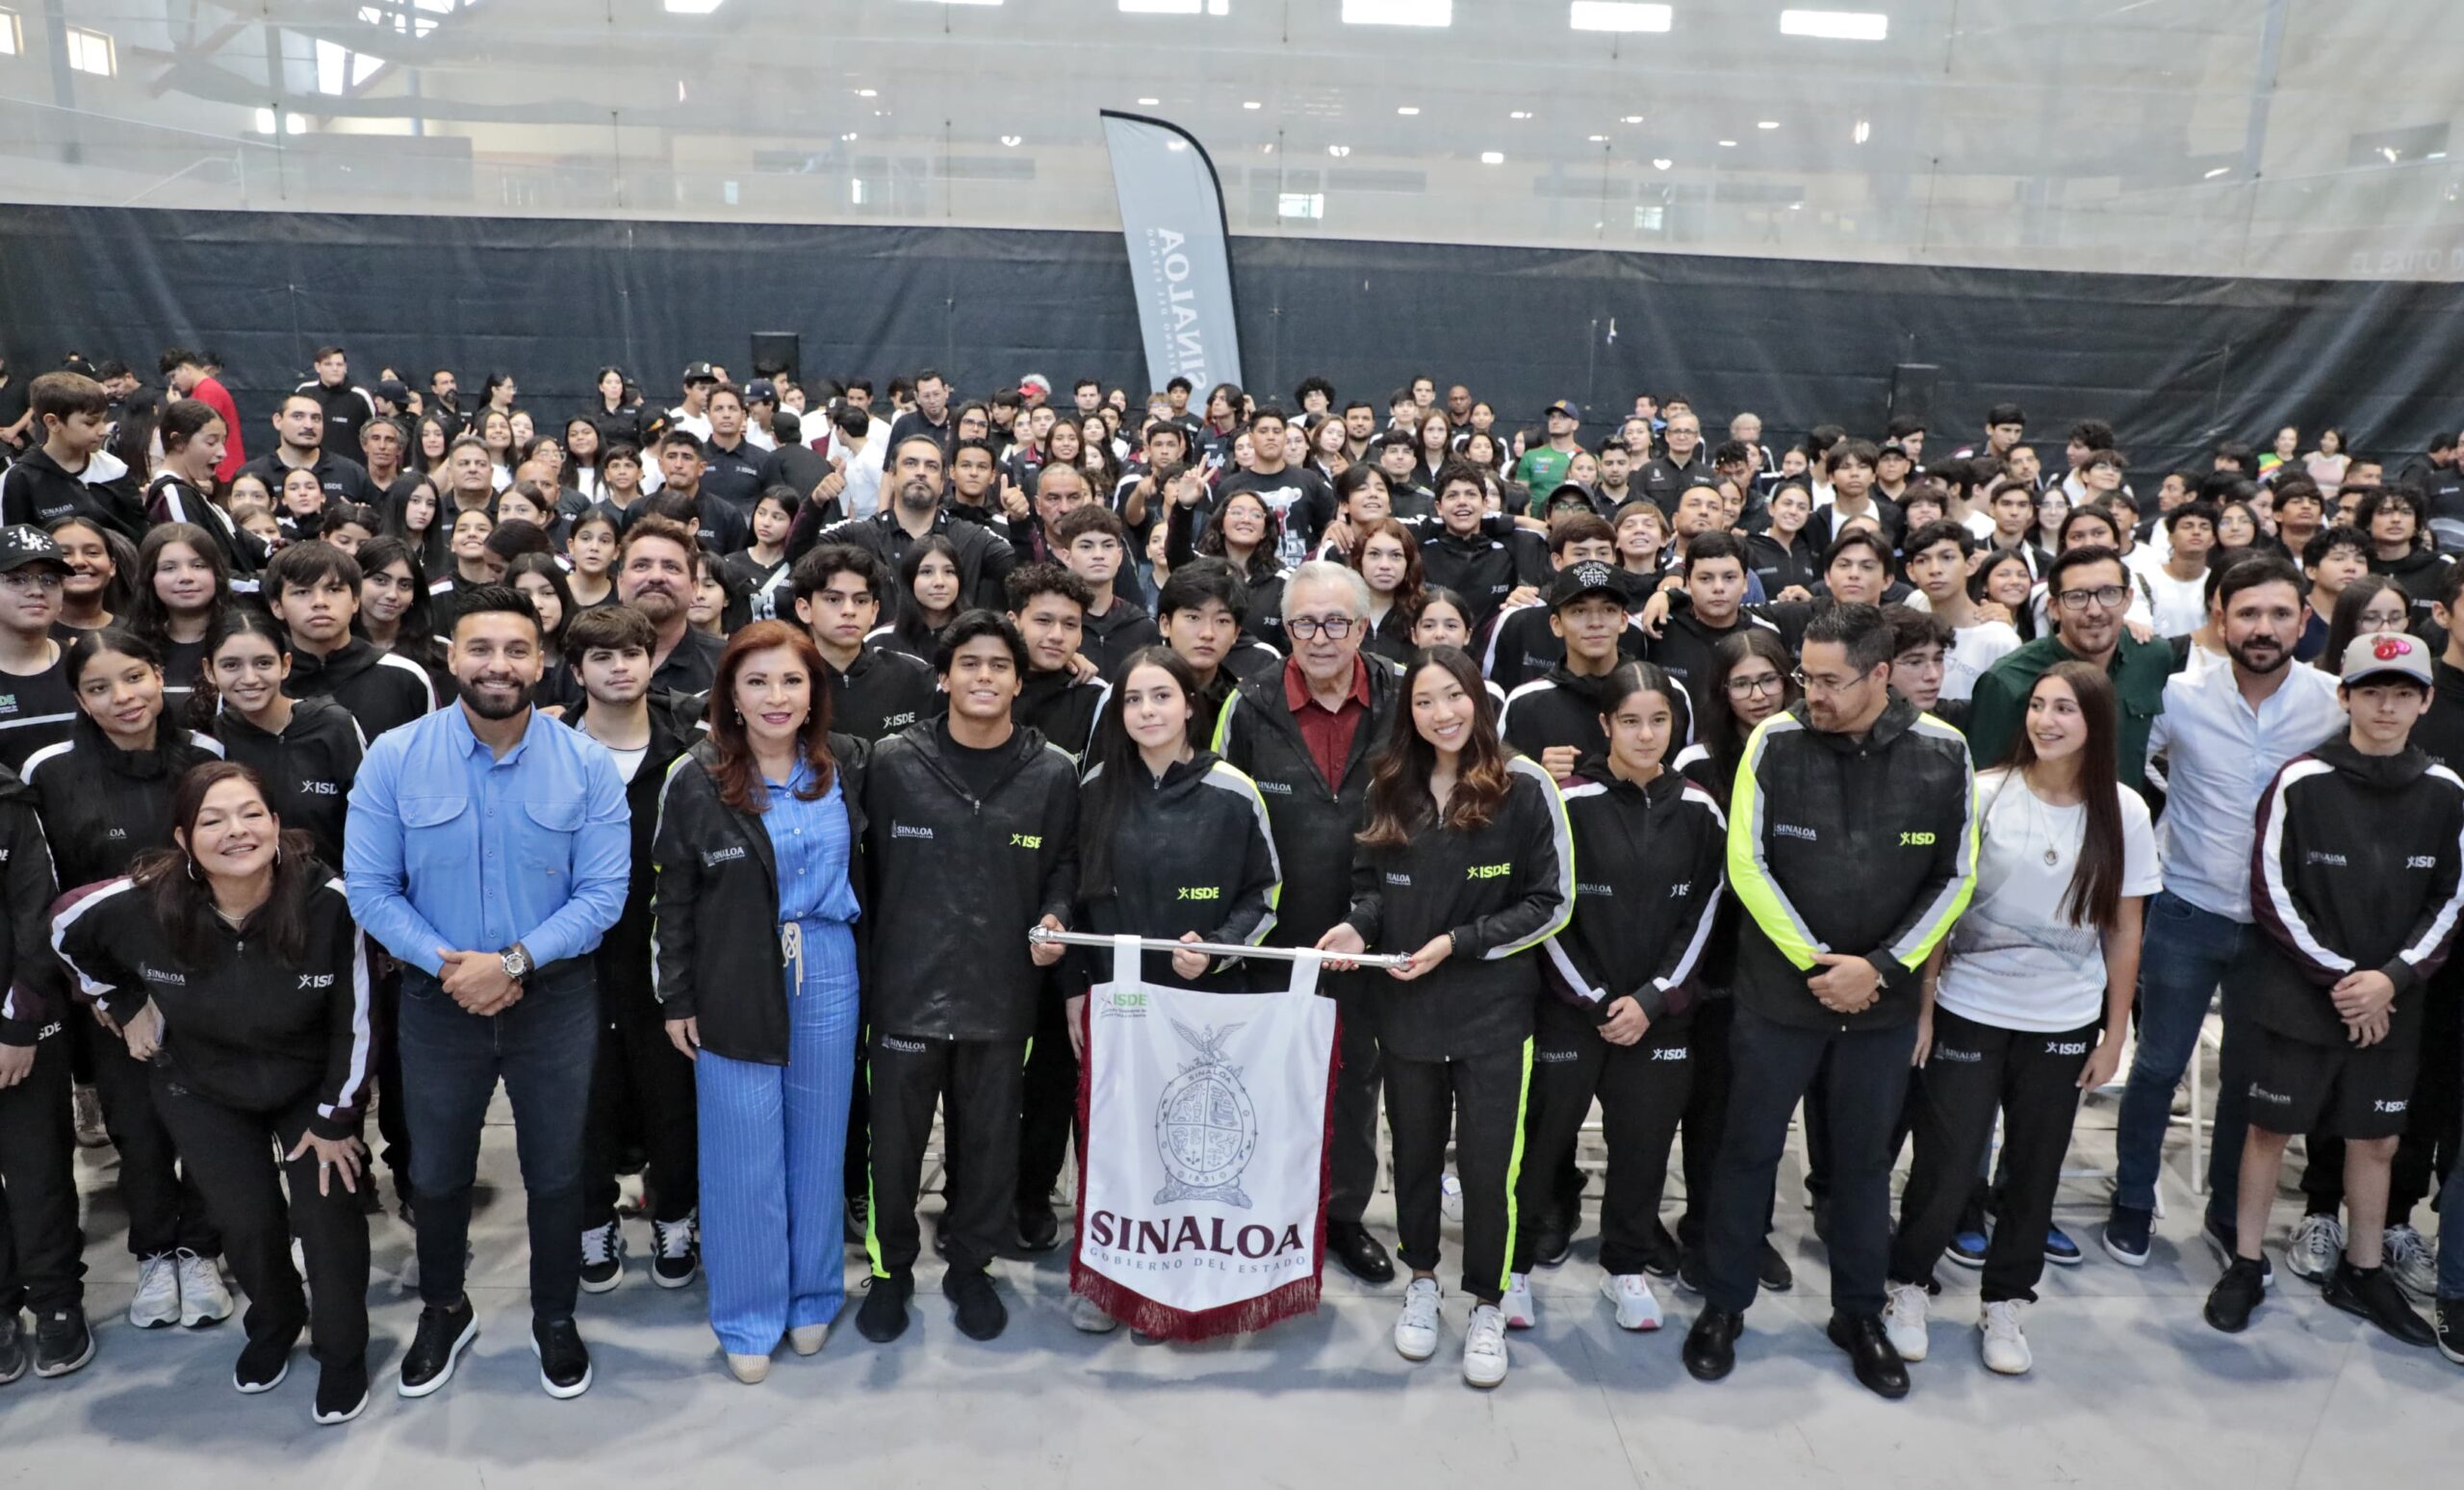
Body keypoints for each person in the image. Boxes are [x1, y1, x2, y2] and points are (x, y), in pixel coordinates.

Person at [1682, 604, 1977, 1400]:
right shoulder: (1774, 743)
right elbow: (1747, 865)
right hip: (1779, 996)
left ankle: (1859, 1313)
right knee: (1747, 1152)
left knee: (1862, 1166)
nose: (1809, 693)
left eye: (1829, 681)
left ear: (1881, 675)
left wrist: (1879, 968)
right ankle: (1724, 1304)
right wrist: (1819, 963)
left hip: (1879, 1004)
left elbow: (1956, 876)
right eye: (1803, 676)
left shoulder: (1943, 751)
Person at [344, 584, 629, 1400]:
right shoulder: (395, 756)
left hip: (555, 999)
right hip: (439, 1001)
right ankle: (445, 1306)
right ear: (451, 657)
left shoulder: (586, 764)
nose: (497, 665)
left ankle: (554, 1316)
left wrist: (510, 964)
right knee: (436, 1173)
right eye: (480, 648)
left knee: (557, 1172)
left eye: (515, 650)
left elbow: (602, 896)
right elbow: (370, 889)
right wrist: (454, 968)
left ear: (542, 662)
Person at [51, 762, 375, 1424]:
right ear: (184, 839)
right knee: (245, 1222)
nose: (236, 831)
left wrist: (337, 1117)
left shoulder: (334, 903)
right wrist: (121, 1001)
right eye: (213, 820)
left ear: (276, 825)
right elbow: (61, 927)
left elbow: (359, 1018)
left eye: (252, 814)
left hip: (309, 1086)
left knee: (327, 1216)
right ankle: (276, 1320)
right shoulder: (143, 904)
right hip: (201, 1085)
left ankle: (342, 1352)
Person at [1884, 663, 2157, 1375]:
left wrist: (2115, 1033)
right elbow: (1942, 907)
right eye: (2038, 706)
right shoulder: (1983, 793)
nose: (2046, 721)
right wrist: (1924, 1008)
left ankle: (2006, 1302)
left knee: (2034, 1170)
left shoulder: (2124, 811)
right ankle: (1907, 1287)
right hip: (1970, 1007)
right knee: (1946, 1164)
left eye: (2065, 709)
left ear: (2096, 723)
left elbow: (2124, 929)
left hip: (2063, 1020)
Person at [1315, 645, 1571, 1389]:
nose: (1442, 713)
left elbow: (1551, 902)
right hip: (1406, 1012)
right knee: (1417, 1156)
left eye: (1454, 697)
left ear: (1479, 701)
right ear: (1409, 713)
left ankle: (1488, 1300)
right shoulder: (1389, 785)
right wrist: (1358, 927)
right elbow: (1371, 888)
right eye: (1424, 701)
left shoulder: (1525, 786)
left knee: (1491, 1169)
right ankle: (1421, 1280)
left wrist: (1457, 943)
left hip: (1495, 1014)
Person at [2207, 630, 2464, 1347]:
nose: (2387, 706)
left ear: (2425, 702)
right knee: (2268, 1130)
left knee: (2377, 1141)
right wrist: (2343, 979)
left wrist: (2391, 979)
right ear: (2344, 696)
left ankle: (2363, 1269)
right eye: (2372, 691)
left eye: (2404, 693)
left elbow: (2451, 899)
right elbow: (2271, 888)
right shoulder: (2301, 780)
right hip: (2301, 994)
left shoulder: (2447, 792)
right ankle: (2247, 1263)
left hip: (2394, 1001)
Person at [2103, 556, 2348, 1268]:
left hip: (2279, 927)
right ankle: (2134, 1198)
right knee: (2157, 1066)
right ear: (2221, 618)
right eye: (2248, 613)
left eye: (2279, 614)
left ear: (2304, 621)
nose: (2263, 628)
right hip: (2187, 908)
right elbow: (2127, 764)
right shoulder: (2181, 696)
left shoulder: (2332, 703)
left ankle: (2227, 1209)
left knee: (2245, 1075)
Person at [854, 611, 1078, 1346]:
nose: (985, 676)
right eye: (970, 664)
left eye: (999, 666)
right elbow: (861, 874)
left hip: (1002, 995)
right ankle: (890, 1271)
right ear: (944, 678)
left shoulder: (1052, 772)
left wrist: (1054, 913)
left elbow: (1066, 866)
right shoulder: (892, 763)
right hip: (903, 994)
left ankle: (971, 1266)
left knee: (988, 1144)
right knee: (894, 1149)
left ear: (1019, 681)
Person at [653, 621, 866, 1382]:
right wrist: (677, 995)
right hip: (734, 970)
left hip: (830, 968)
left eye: (792, 681)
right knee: (742, 1152)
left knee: (819, 1145)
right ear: (731, 697)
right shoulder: (695, 779)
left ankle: (813, 1294)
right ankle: (747, 1311)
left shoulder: (847, 765)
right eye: (757, 682)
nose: (777, 696)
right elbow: (673, 898)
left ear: (814, 693)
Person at [1062, 646, 1284, 1333]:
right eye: (1132, 699)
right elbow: (1070, 896)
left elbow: (1265, 896)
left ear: (1190, 705)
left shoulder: (1233, 791)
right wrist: (1076, 988)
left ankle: (1178, 1281)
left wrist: (1216, 952)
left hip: (1202, 1011)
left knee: (1189, 1150)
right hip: (1118, 1005)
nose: (1147, 711)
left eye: (1161, 696)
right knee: (1110, 1139)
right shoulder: (1094, 788)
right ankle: (1106, 1278)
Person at [1507, 662, 1724, 1335]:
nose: (1646, 734)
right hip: (1572, 1013)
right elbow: (1547, 911)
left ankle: (1625, 1266)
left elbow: (1704, 914)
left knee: (1644, 1145)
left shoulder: (1700, 810)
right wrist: (1596, 998)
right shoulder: (1568, 803)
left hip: (1657, 1020)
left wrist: (1654, 998)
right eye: (1630, 721)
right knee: (1542, 1141)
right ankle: (1514, 1266)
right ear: (1605, 725)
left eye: (1658, 720)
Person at [26, 629, 232, 1332]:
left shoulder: (204, 756)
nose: (123, 698)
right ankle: (154, 1253)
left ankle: (201, 1248)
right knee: (138, 1130)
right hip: (110, 991)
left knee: (207, 1120)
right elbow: (52, 900)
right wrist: (114, 995)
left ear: (158, 675)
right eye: (99, 687)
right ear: (79, 699)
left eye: (135, 677)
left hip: (205, 981)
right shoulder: (51, 771)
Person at [562, 604, 701, 1296]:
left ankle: (675, 1216)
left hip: (665, 960)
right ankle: (593, 1220)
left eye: (631, 654)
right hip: (573, 963)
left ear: (652, 662)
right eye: (602, 656)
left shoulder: (689, 753)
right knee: (584, 1102)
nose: (619, 668)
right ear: (576, 671)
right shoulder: (547, 750)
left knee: (673, 1099)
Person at [1964, 546, 2177, 793]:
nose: (2094, 610)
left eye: (2109, 593)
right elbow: (1985, 783)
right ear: (2054, 607)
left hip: (2126, 812)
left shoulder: (2152, 657)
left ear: (2127, 599)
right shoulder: (2008, 681)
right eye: (2077, 597)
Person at [0, 753, 77, 1381]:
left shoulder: (9, 804)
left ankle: (56, 1303)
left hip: (18, 1030)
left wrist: (19, 1025)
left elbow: (36, 915)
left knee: (38, 1172)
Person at [201, 609, 364, 870]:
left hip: (334, 889)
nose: (250, 678)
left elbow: (372, 820)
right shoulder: (214, 739)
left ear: (285, 664)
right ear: (210, 671)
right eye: (231, 665)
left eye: (263, 663)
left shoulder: (334, 725)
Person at [267, 542, 437, 743]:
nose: (320, 602)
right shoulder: (264, 679)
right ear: (277, 606)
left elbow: (430, 754)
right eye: (302, 592)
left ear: (355, 601)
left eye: (334, 589)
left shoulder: (406, 677)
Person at [0, 372, 146, 543]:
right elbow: (15, 547)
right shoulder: (19, 479)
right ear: (53, 422)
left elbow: (140, 536)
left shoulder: (114, 469)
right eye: (90, 423)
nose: (102, 431)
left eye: (103, 420)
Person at [613, 516, 723, 696]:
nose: (656, 577)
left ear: (694, 588)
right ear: (620, 583)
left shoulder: (726, 662)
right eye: (641, 566)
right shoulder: (584, 658)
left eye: (671, 567)